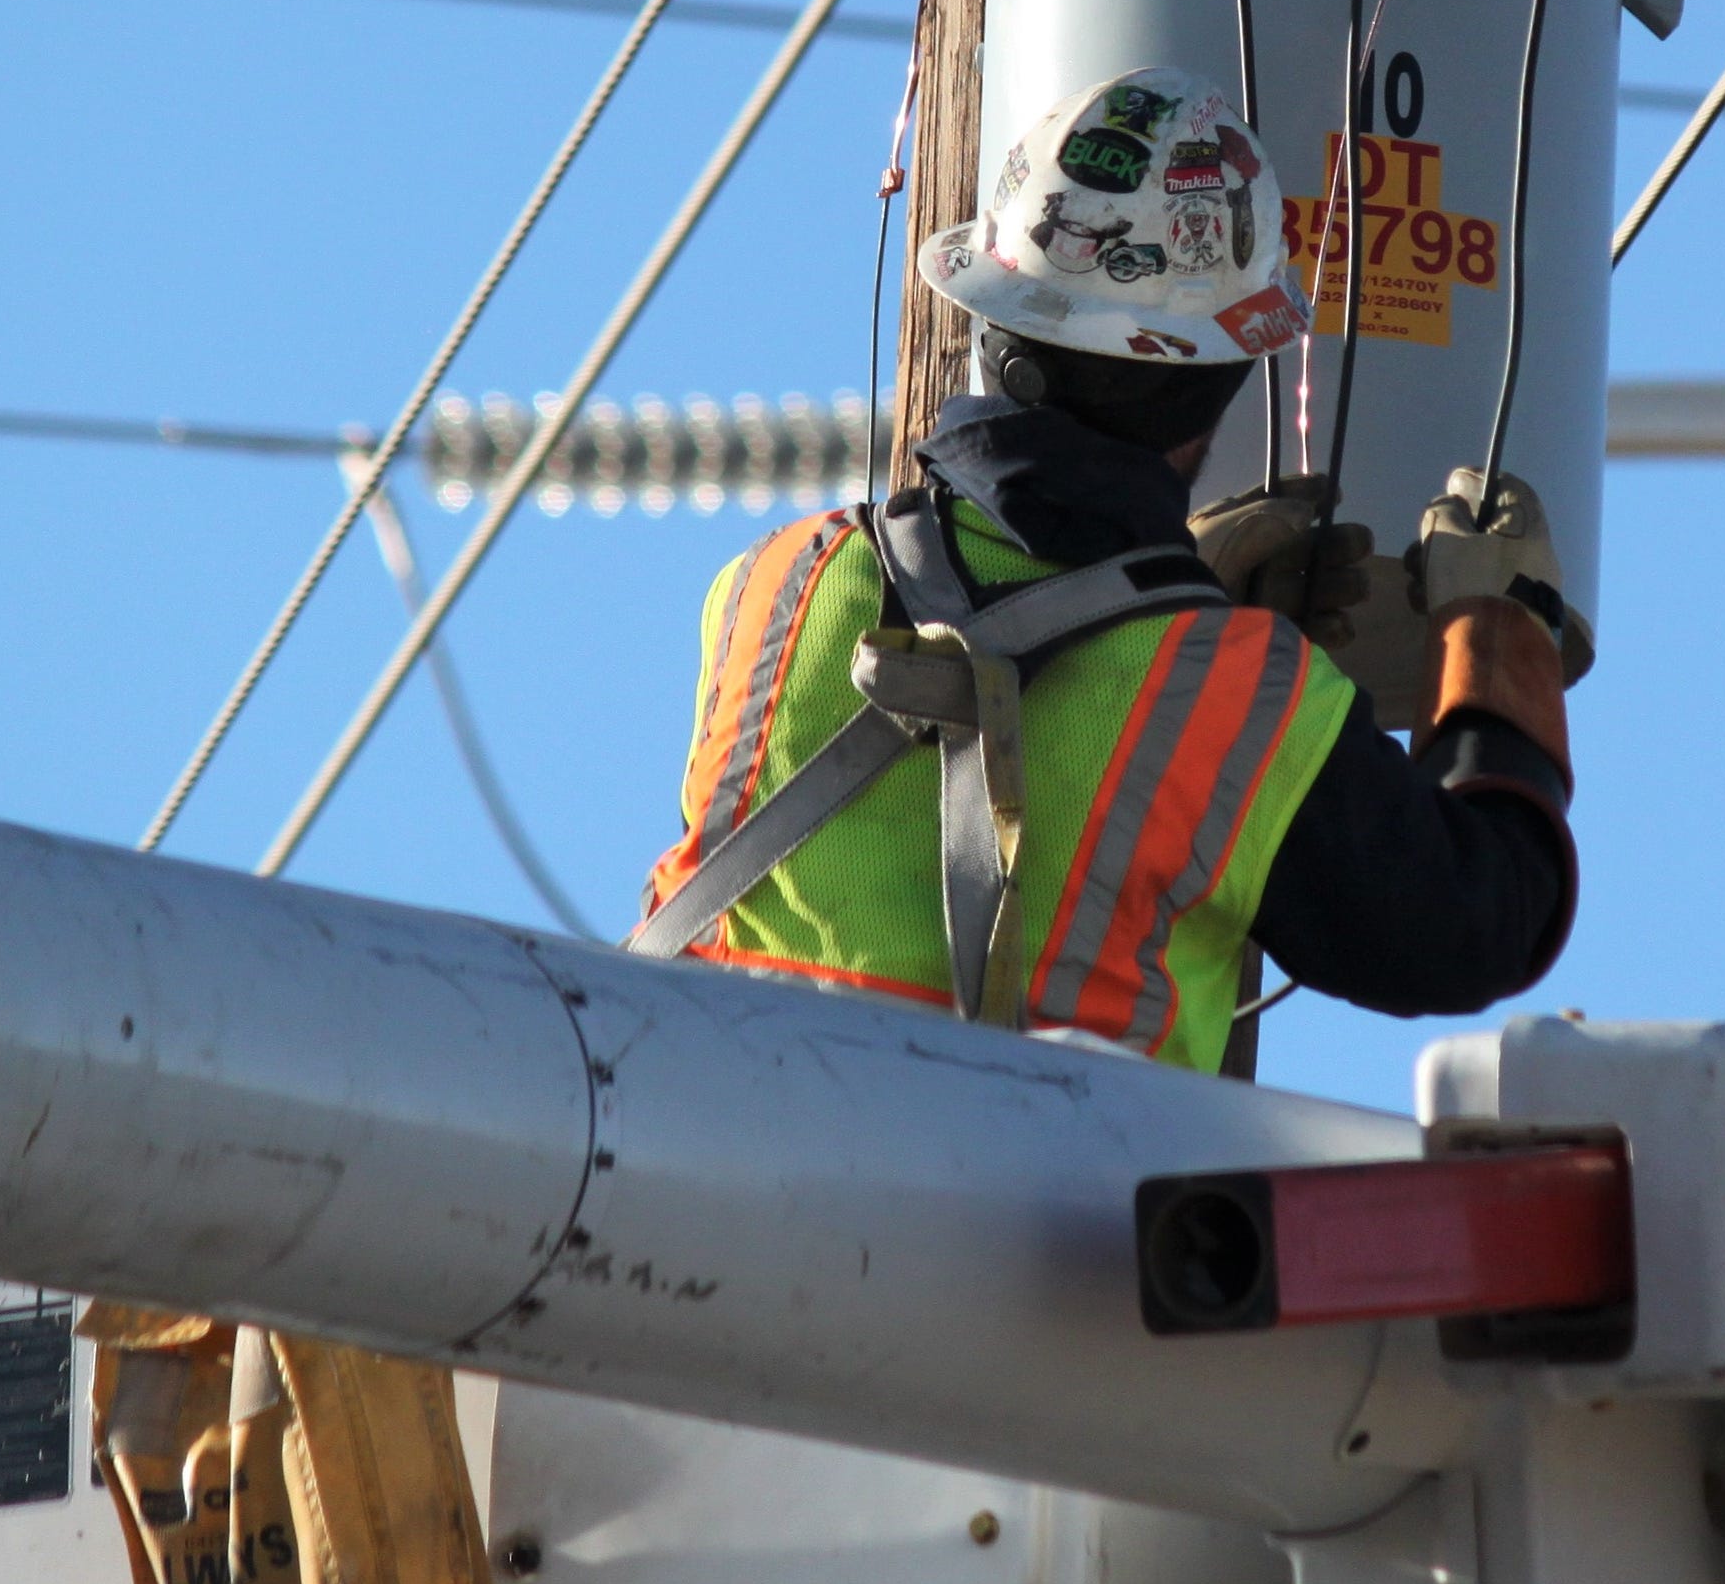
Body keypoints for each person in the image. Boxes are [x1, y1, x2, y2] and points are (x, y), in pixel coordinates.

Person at [635, 66, 1580, 1076]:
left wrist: (1166, 589)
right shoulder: (1237, 699)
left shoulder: (781, 579)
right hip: (1011, 1169)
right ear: (1220, 378)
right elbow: (1476, 920)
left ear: (990, 318)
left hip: (695, 1142)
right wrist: (1498, 631)